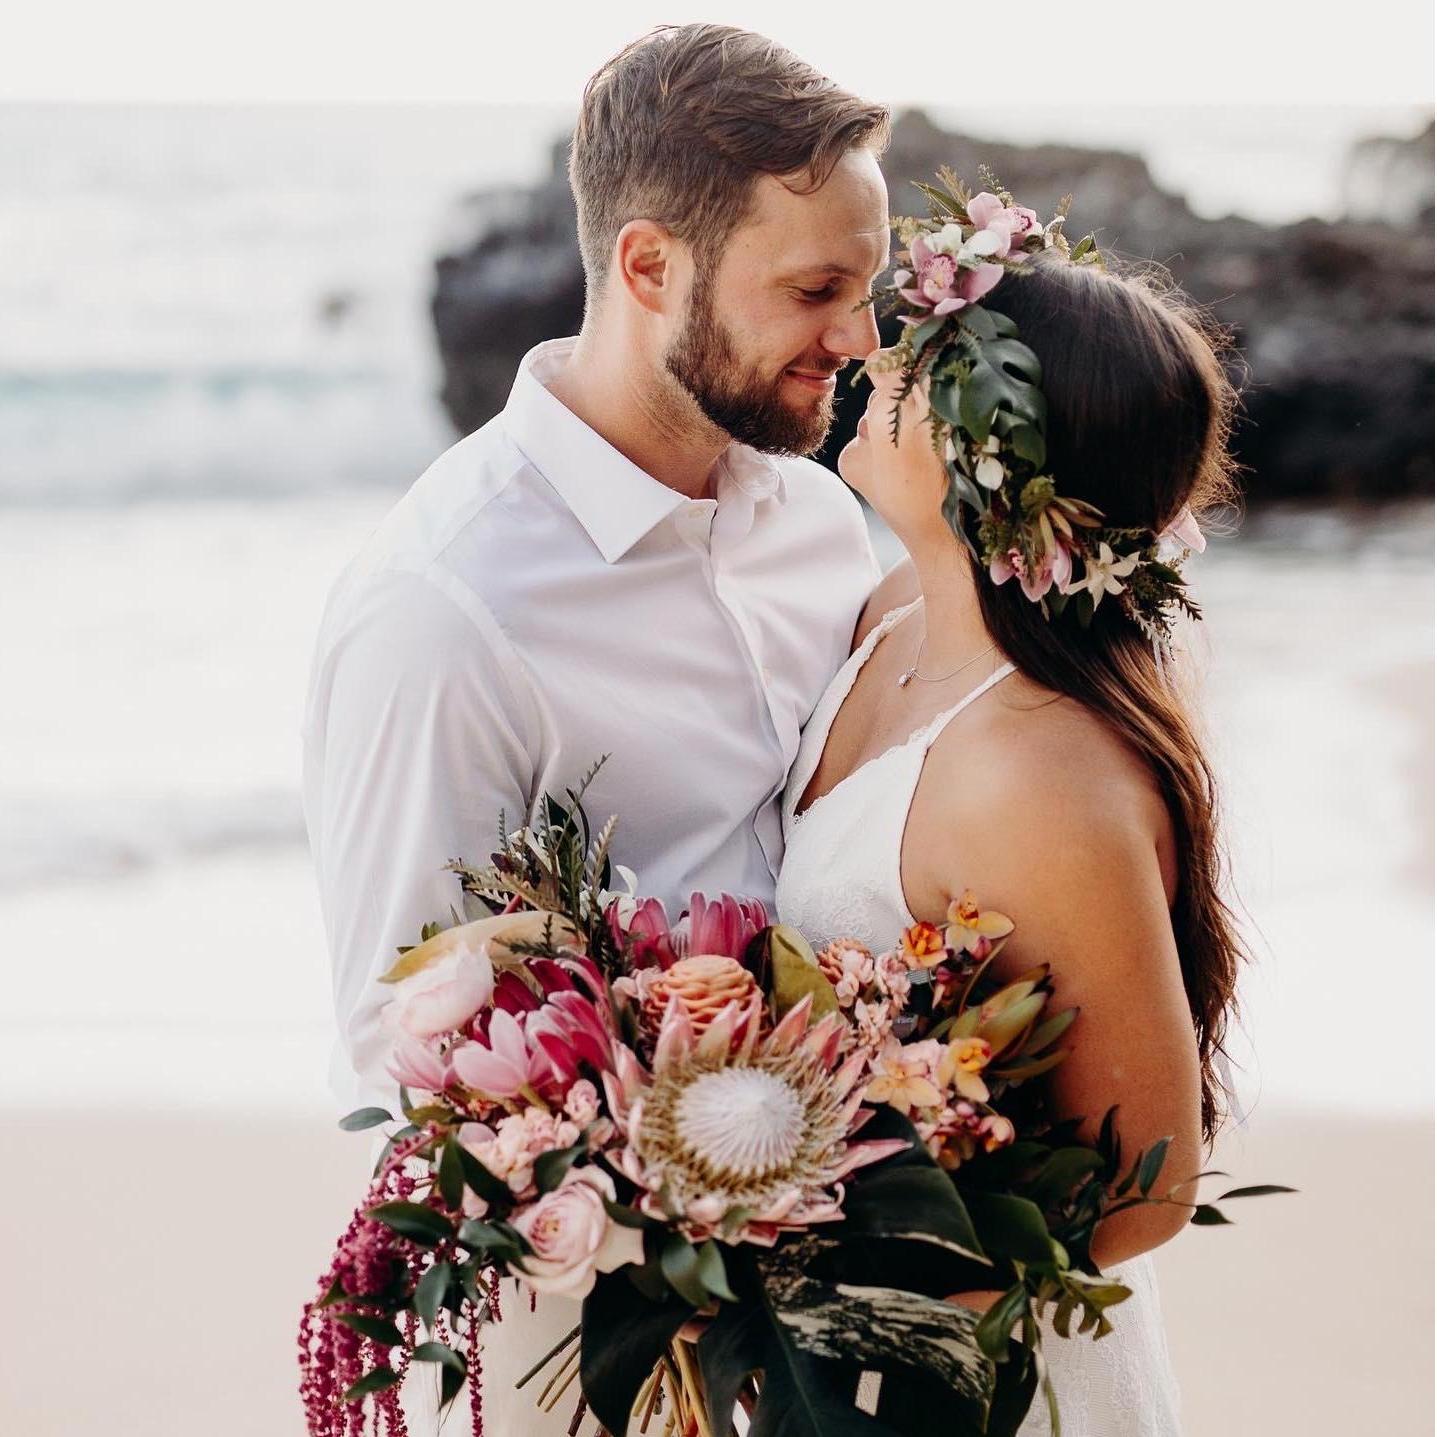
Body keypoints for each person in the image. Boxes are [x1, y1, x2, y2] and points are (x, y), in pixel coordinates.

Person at [299, 23, 892, 1434]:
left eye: (867, 288)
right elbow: (405, 1042)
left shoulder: (818, 516)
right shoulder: (442, 609)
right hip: (589, 1352)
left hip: (845, 1310)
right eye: (816, 289)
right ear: (648, 267)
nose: (859, 339)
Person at [776, 246, 1247, 1435]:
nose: (870, 360)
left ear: (995, 454)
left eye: (917, 358)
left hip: (990, 1383)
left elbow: (1149, 1181)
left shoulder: (1037, 769)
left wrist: (804, 1270)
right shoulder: (893, 617)